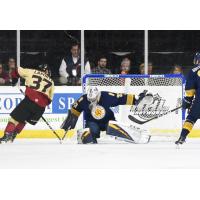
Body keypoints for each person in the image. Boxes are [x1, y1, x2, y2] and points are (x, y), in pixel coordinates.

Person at [60, 87, 152, 144]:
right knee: (90, 133)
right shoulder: (83, 99)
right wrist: (72, 117)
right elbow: (75, 109)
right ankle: (92, 137)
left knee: (112, 126)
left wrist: (135, 99)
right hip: (93, 123)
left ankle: (131, 134)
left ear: (98, 95)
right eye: (90, 99)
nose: (91, 101)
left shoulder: (106, 96)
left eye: (94, 99)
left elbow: (121, 97)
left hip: (108, 122)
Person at [0, 64, 54, 143]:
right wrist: (38, 104)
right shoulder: (52, 82)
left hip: (29, 101)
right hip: (40, 108)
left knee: (14, 119)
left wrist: (15, 79)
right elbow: (49, 100)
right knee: (24, 120)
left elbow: (17, 70)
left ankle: (7, 136)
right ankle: (13, 135)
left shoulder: (32, 71)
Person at [175, 52, 200, 144]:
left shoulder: (194, 71)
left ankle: (182, 136)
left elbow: (190, 90)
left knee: (191, 118)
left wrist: (187, 102)